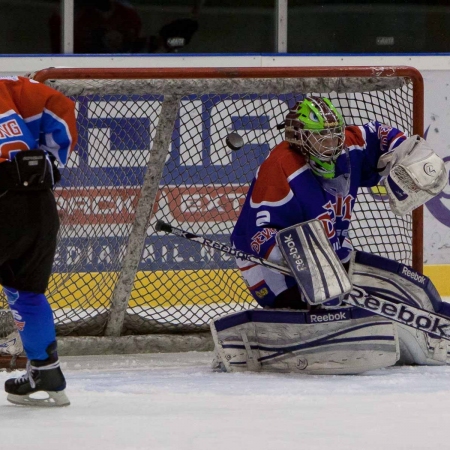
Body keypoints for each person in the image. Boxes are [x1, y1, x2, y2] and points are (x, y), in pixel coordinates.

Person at [210, 96, 449, 374]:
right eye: (322, 137)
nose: (333, 144)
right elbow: (257, 236)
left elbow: (379, 133)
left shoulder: (348, 146)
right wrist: (306, 265)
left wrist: (403, 148)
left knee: (401, 290)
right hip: (272, 269)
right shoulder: (281, 167)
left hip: (333, 255)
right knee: (331, 304)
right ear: (299, 138)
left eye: (336, 135)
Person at [0, 76, 77, 406]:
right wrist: (50, 161)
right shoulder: (8, 85)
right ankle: (47, 373)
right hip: (37, 202)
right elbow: (60, 106)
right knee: (26, 291)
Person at [49, 0, 144, 54]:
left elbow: (138, 48)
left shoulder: (128, 13)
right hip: (81, 73)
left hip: (121, 72)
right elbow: (60, 55)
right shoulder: (68, 14)